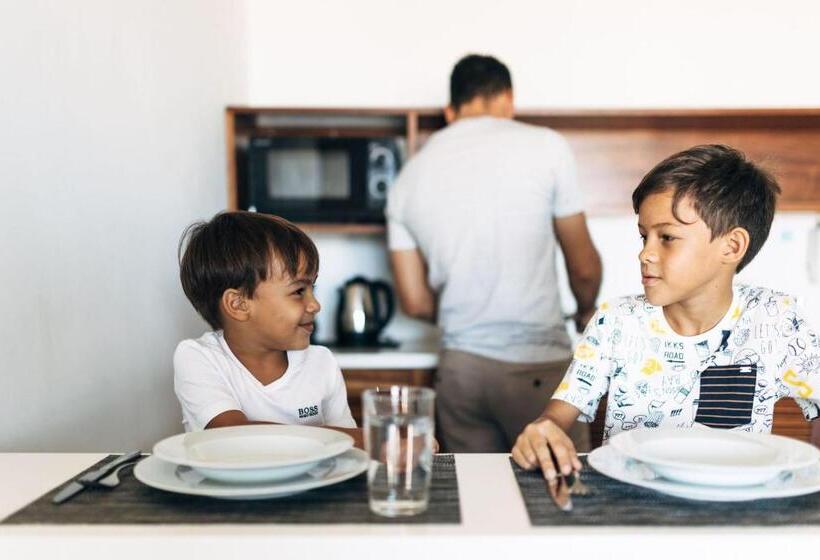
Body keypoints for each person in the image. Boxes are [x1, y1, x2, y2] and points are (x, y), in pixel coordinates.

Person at [512, 144, 820, 479]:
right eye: (644, 237)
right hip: (632, 503)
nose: (645, 254)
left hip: (732, 507)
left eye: (667, 237)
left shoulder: (776, 320)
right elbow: (555, 418)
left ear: (732, 246)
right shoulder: (616, 322)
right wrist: (542, 430)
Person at [386, 54, 602, 453]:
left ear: (451, 111)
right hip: (538, 365)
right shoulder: (546, 147)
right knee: (559, 485)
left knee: (475, 488)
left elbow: (414, 302)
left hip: (461, 371)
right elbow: (584, 269)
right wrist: (585, 309)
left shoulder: (408, 177)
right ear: (507, 99)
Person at [173, 211, 360, 444]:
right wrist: (340, 438)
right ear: (239, 304)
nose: (315, 305)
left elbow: (350, 447)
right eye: (299, 291)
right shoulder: (198, 357)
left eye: (312, 288)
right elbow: (231, 435)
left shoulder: (322, 363)